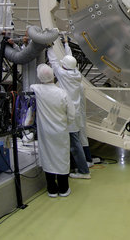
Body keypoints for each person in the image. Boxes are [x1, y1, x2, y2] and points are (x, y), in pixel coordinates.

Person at [47, 34, 91, 179]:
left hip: (68, 115)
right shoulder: (76, 74)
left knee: (74, 144)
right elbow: (70, 58)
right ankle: (81, 166)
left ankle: (84, 171)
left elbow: (53, 62)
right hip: (76, 114)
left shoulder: (63, 75)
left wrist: (49, 46)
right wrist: (65, 43)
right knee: (76, 140)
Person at [31, 64, 75, 197]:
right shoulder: (62, 93)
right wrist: (65, 123)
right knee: (62, 158)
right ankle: (63, 189)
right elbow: (72, 114)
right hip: (61, 131)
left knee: (48, 157)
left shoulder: (36, 89)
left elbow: (31, 87)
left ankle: (51, 189)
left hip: (45, 132)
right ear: (53, 76)